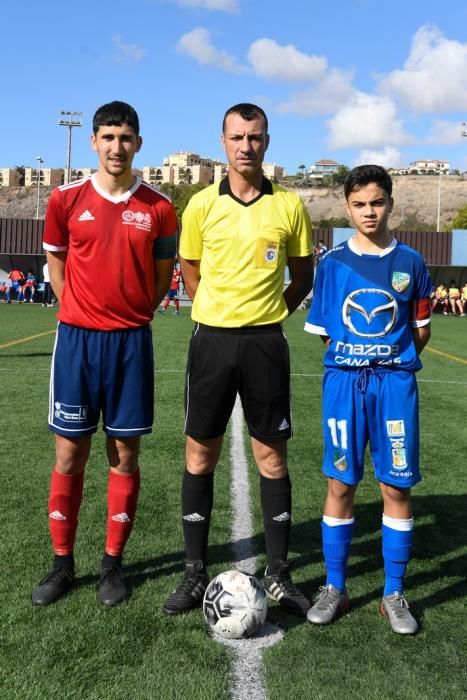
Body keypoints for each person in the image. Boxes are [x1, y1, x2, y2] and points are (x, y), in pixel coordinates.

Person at [163, 103, 314, 618]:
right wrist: (211, 307)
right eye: (236, 137)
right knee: (199, 454)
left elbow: (303, 277)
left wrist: (271, 315)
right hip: (212, 342)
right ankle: (192, 573)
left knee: (271, 456)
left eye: (255, 137)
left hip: (265, 343)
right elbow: (186, 262)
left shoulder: (290, 206)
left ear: (267, 142)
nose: (246, 145)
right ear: (222, 142)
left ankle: (277, 574)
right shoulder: (201, 204)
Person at [32, 101, 177, 607]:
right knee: (70, 453)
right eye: (108, 137)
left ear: (139, 143)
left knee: (124, 454)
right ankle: (62, 564)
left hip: (131, 342)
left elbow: (162, 279)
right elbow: (56, 262)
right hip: (76, 342)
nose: (117, 147)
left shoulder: (158, 207)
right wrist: (75, 309)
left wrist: (135, 312)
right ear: (94, 141)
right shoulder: (65, 199)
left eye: (126, 138)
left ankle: (112, 564)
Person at [305, 164, 432, 635]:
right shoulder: (332, 264)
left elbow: (421, 330)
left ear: (391, 204)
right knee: (340, 484)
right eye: (359, 204)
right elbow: (324, 334)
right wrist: (355, 359)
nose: (369, 211)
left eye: (377, 202)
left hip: (394, 386)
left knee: (397, 487)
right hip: (344, 385)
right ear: (347, 208)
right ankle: (335, 587)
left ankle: (393, 592)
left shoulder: (413, 263)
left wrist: (390, 361)